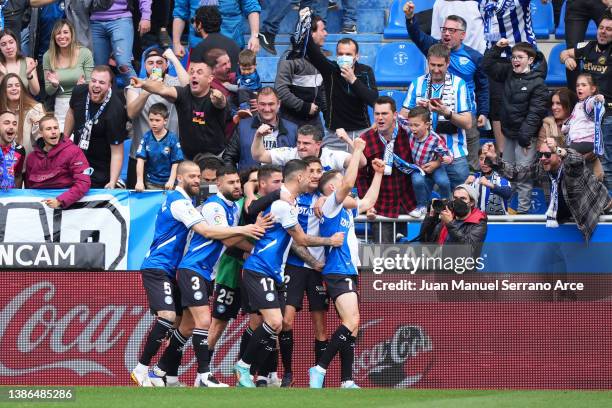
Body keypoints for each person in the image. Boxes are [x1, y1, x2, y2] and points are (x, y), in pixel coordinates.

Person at [131, 160, 265, 387]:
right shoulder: (191, 203)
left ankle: (162, 372)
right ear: (180, 178)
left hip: (190, 270)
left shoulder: (206, 204)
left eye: (199, 177)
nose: (198, 180)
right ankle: (197, 375)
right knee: (182, 318)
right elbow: (209, 231)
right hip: (173, 267)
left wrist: (258, 249)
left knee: (186, 325)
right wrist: (246, 228)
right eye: (192, 176)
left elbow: (228, 239)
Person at [233, 159, 345, 388]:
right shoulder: (283, 205)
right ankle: (244, 367)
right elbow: (301, 239)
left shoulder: (288, 204)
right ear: (299, 177)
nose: (311, 179)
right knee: (275, 321)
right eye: (307, 175)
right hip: (259, 268)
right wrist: (330, 241)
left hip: (271, 271)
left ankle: (249, 367)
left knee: (275, 323)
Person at [308, 139, 385, 389]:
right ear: (332, 188)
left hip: (347, 270)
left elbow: (369, 202)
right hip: (337, 270)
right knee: (351, 322)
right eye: (340, 183)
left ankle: (347, 379)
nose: (347, 187)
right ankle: (319, 368)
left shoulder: (344, 210)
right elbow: (349, 183)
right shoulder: (330, 205)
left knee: (352, 326)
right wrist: (358, 151)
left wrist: (378, 174)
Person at [404, 3, 489, 171]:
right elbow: (416, 35)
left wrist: (484, 112)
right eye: (444, 30)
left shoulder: (474, 57)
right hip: (433, 115)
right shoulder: (433, 48)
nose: (446, 34)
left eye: (452, 31)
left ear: (463, 34)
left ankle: (466, 190)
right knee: (434, 162)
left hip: (465, 114)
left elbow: (483, 87)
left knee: (469, 163)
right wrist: (410, 18)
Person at [483, 139, 612, 241]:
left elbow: (577, 159)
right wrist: (495, 159)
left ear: (559, 155)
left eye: (548, 154)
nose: (543, 158)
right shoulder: (542, 167)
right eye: (540, 154)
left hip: (598, 215)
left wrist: (558, 149)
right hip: (567, 220)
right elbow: (516, 174)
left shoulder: (572, 167)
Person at [275, 156, 328, 387]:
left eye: (319, 170)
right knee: (286, 321)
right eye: (311, 171)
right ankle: (287, 373)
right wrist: (310, 259)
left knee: (320, 326)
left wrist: (326, 197)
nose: (315, 175)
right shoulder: (290, 199)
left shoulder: (327, 198)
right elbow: (293, 238)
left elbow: (350, 197)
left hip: (318, 269)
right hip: (295, 267)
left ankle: (319, 377)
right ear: (303, 175)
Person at [482, 39, 549, 213]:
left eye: (520, 57)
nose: (515, 60)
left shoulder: (538, 83)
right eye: (513, 57)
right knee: (506, 174)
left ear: (531, 60)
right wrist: (497, 48)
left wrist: (525, 139)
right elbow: (486, 65)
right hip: (509, 134)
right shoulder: (509, 72)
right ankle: (507, 209)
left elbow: (535, 113)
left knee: (522, 176)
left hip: (525, 138)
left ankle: (523, 212)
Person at [401, 44, 473, 190]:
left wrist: (446, 113)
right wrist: (417, 109)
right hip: (423, 155)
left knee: (460, 203)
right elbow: (402, 117)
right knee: (424, 204)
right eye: (432, 64)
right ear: (427, 62)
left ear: (448, 63)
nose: (436, 69)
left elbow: (467, 123)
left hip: (454, 155)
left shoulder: (459, 84)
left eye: (440, 65)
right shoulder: (417, 83)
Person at [130, 60, 229, 160]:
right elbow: (162, 89)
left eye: (199, 72)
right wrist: (143, 84)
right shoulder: (183, 93)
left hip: (215, 157)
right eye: (191, 72)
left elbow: (221, 102)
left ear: (210, 78)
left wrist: (220, 98)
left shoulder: (215, 96)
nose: (194, 75)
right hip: (188, 158)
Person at [305, 20, 378, 151]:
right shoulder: (330, 69)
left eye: (348, 54)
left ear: (357, 56)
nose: (344, 57)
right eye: (341, 54)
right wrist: (306, 23)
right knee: (331, 171)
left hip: (361, 132)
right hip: (335, 134)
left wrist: (353, 80)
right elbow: (312, 51)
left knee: (360, 169)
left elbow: (373, 100)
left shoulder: (365, 71)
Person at [560, 12, 612, 193]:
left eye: (609, 29)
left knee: (606, 162)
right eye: (601, 28)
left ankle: (609, 204)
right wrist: (567, 59)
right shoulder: (588, 46)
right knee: (590, 161)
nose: (603, 32)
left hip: (607, 115)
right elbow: (563, 52)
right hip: (586, 119)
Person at [126, 47, 188, 188]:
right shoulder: (136, 84)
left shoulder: (174, 82)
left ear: (166, 65)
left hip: (170, 157)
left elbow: (190, 88)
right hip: (142, 157)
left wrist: (174, 59)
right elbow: (131, 113)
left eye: (160, 62)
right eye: (151, 63)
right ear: (145, 66)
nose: (155, 66)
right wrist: (148, 88)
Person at [358, 96, 417, 243]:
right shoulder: (365, 139)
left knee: (408, 256)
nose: (380, 118)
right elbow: (360, 177)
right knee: (384, 257)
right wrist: (367, 204)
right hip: (381, 207)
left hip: (408, 203)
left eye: (384, 114)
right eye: (377, 114)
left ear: (395, 115)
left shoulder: (409, 135)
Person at [64, 66, 127, 188]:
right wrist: (64, 141)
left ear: (109, 86)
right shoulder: (78, 92)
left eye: (102, 82)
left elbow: (117, 152)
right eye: (93, 81)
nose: (96, 85)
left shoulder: (115, 110)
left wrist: (112, 182)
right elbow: (71, 112)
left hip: (100, 167)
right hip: (76, 159)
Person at [24, 114, 91, 208]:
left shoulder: (73, 151)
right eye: (48, 129)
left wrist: (60, 201)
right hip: (38, 208)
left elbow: (84, 182)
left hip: (68, 207)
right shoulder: (32, 158)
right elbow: (28, 189)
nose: (53, 132)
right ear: (41, 133)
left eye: (56, 128)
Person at [275, 14, 327, 130]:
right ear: (310, 33)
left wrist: (327, 112)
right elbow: (280, 90)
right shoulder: (290, 58)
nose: (326, 33)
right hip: (290, 121)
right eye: (322, 30)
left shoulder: (320, 57)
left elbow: (323, 88)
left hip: (314, 121)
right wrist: (304, 107)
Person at [224, 88, 298, 170]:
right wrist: (235, 178)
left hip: (281, 181)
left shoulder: (293, 129)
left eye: (271, 104)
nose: (267, 109)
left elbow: (299, 161)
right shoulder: (242, 126)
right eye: (263, 104)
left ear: (279, 104)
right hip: (249, 180)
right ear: (257, 104)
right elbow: (229, 157)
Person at [42, 19, 94, 131]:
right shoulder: (48, 56)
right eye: (58, 33)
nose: (62, 36)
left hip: (82, 101)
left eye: (65, 32)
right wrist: (54, 85)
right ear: (54, 36)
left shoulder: (85, 53)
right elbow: (48, 91)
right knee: (63, 140)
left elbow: (91, 83)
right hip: (61, 103)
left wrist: (82, 88)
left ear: (72, 34)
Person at [402, 106, 452, 218]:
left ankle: (447, 205)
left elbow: (445, 153)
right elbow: (399, 120)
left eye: (416, 125)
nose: (413, 128)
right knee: (417, 180)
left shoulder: (435, 139)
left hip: (434, 165)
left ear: (427, 125)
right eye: (411, 125)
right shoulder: (409, 131)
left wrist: (447, 158)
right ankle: (421, 206)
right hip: (418, 167)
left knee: (443, 182)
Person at [252, 123, 363, 171]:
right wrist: (258, 136)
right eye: (299, 142)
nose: (300, 147)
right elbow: (259, 156)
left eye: (306, 143)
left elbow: (361, 163)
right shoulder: (291, 153)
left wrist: (348, 140)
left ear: (318, 144)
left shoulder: (332, 156)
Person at [90, 0, 151, 87]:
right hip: (95, 21)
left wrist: (146, 16)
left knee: (123, 65)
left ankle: (137, 96)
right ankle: (103, 99)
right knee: (98, 69)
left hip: (121, 18)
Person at [172, 0, 261, 56]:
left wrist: (255, 35)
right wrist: (176, 43)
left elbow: (251, 6)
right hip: (198, 47)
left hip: (231, 46)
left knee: (229, 85)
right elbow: (180, 12)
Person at [419, 184, 488, 254]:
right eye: (455, 198)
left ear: (472, 202)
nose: (458, 201)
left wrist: (450, 223)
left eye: (463, 198)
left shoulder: (478, 223)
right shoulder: (447, 216)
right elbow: (424, 240)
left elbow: (469, 250)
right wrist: (431, 216)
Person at [562, 73, 606, 180]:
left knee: (565, 155)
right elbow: (573, 120)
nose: (579, 88)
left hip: (586, 142)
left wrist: (598, 98)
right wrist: (565, 127)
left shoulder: (588, 102)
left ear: (593, 89)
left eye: (583, 85)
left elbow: (594, 102)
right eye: (577, 85)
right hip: (578, 143)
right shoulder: (578, 105)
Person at [135, 103, 184, 191]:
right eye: (151, 120)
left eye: (157, 120)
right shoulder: (146, 137)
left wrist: (171, 180)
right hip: (151, 182)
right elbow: (140, 160)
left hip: (169, 182)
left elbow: (176, 162)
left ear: (165, 121)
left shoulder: (172, 138)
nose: (154, 123)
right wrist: (139, 181)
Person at [559, 0, 608, 88]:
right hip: (576, 3)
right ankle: (575, 97)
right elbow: (565, 54)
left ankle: (606, 93)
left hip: (601, 2)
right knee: (572, 56)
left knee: (609, 43)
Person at [0, 73, 45, 156]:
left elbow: (43, 139)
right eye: (9, 86)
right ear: (3, 91)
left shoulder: (35, 109)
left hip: (28, 164)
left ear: (22, 89)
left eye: (17, 85)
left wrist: (37, 125)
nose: (14, 88)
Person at [189, 5, 241, 72]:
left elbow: (191, 78)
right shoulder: (234, 45)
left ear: (200, 25)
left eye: (193, 21)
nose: (193, 25)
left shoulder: (200, 48)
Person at [466, 146, 511, 215]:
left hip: (500, 221)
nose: (484, 162)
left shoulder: (500, 176)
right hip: (477, 221)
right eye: (481, 159)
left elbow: (507, 194)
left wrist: (490, 184)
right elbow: (460, 199)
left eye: (488, 159)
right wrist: (465, 184)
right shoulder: (473, 178)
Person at [223, 49, 262, 119]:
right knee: (228, 99)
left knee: (242, 88)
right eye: (244, 69)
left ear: (255, 65)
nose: (246, 72)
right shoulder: (239, 71)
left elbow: (241, 88)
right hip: (241, 96)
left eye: (249, 69)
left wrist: (228, 86)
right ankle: (235, 114)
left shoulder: (253, 77)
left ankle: (245, 109)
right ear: (239, 65)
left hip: (252, 95)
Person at [0, 29, 40, 96]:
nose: (8, 47)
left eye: (11, 42)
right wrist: (2, 76)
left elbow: (36, 92)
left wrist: (29, 75)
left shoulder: (28, 61)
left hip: (25, 104)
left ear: (16, 43)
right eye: (3, 44)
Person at [0, 110, 25, 189]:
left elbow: (18, 175)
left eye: (14, 124)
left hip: (9, 196)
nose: (11, 127)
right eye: (6, 123)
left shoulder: (20, 150)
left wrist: (16, 197)